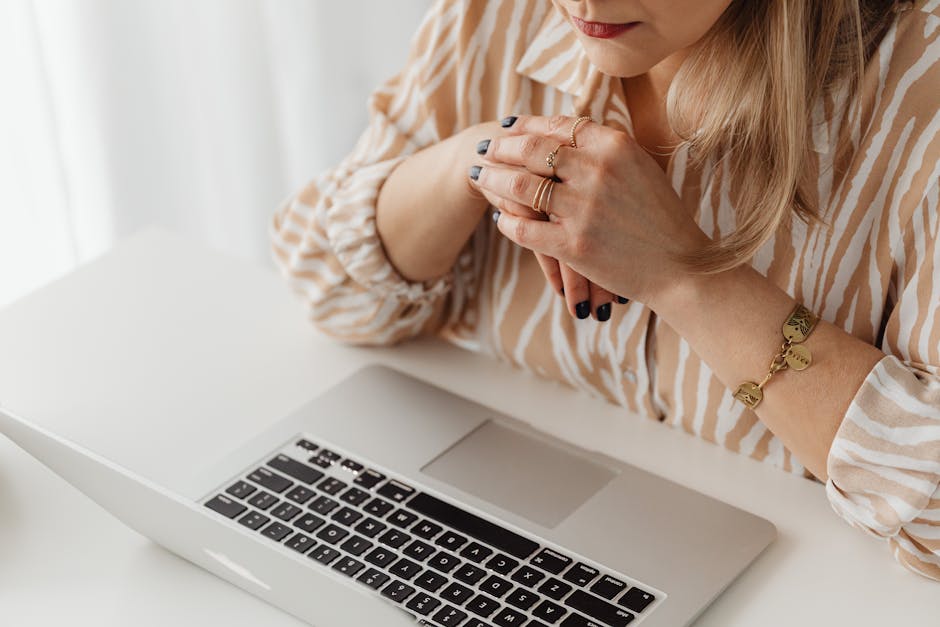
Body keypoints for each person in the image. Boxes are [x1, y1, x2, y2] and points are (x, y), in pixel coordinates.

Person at [271, 0, 940, 580]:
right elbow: (325, 285)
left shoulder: (917, 87)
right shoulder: (499, 16)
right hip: (487, 557)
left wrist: (684, 279)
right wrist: (482, 159)